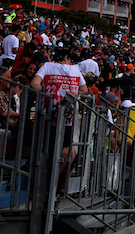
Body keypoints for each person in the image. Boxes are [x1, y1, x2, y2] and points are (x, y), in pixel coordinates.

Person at [31, 47, 88, 192]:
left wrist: (47, 92)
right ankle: (54, 185)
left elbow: (34, 84)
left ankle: (48, 185)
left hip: (49, 114)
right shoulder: (75, 69)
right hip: (68, 117)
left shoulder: (48, 66)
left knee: (48, 152)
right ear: (67, 58)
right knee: (65, 152)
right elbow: (85, 90)